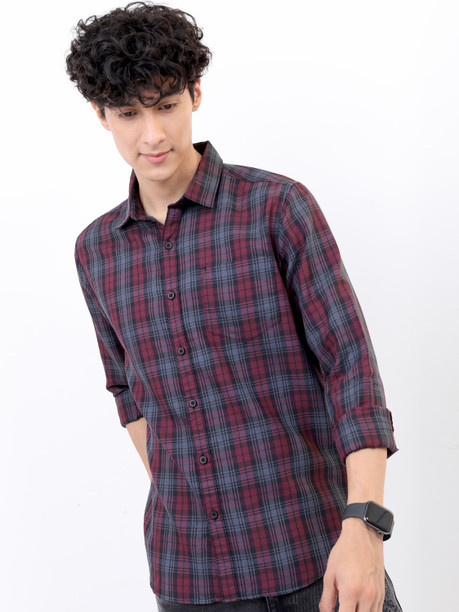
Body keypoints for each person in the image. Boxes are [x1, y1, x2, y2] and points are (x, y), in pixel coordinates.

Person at [66, 3, 402, 610]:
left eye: (167, 105)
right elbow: (127, 392)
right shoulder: (96, 250)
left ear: (196, 93)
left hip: (315, 556)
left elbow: (350, 367)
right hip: (190, 575)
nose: (153, 135)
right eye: (129, 113)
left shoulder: (277, 208)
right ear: (100, 114)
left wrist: (365, 526)